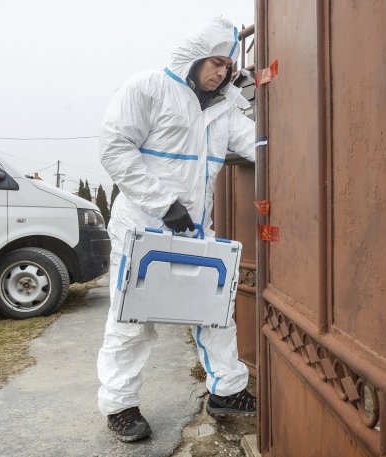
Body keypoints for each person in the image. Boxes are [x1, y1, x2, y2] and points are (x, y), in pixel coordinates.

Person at [98, 17, 256, 443]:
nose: (221, 72)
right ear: (195, 57)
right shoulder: (148, 88)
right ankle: (120, 405)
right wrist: (164, 205)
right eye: (216, 62)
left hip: (193, 230)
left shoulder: (224, 110)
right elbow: (114, 149)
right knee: (132, 320)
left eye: (227, 66)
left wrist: (251, 96)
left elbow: (261, 143)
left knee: (215, 311)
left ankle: (228, 390)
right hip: (142, 226)